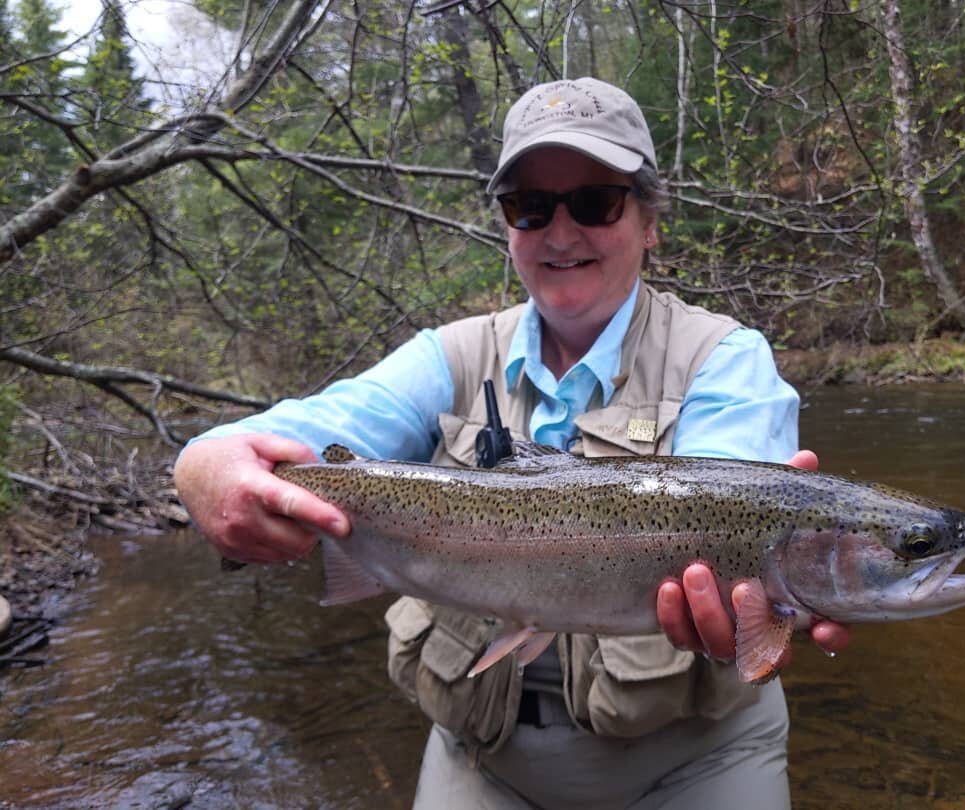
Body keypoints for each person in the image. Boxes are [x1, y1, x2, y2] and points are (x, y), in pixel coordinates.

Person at [174, 77, 848, 809]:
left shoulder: (726, 359)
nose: (560, 233)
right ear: (507, 225)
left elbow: (739, 502)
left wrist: (779, 587)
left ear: (650, 220)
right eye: (530, 207)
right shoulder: (447, 356)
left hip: (695, 758)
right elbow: (299, 432)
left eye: (594, 201)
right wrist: (205, 462)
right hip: (483, 758)